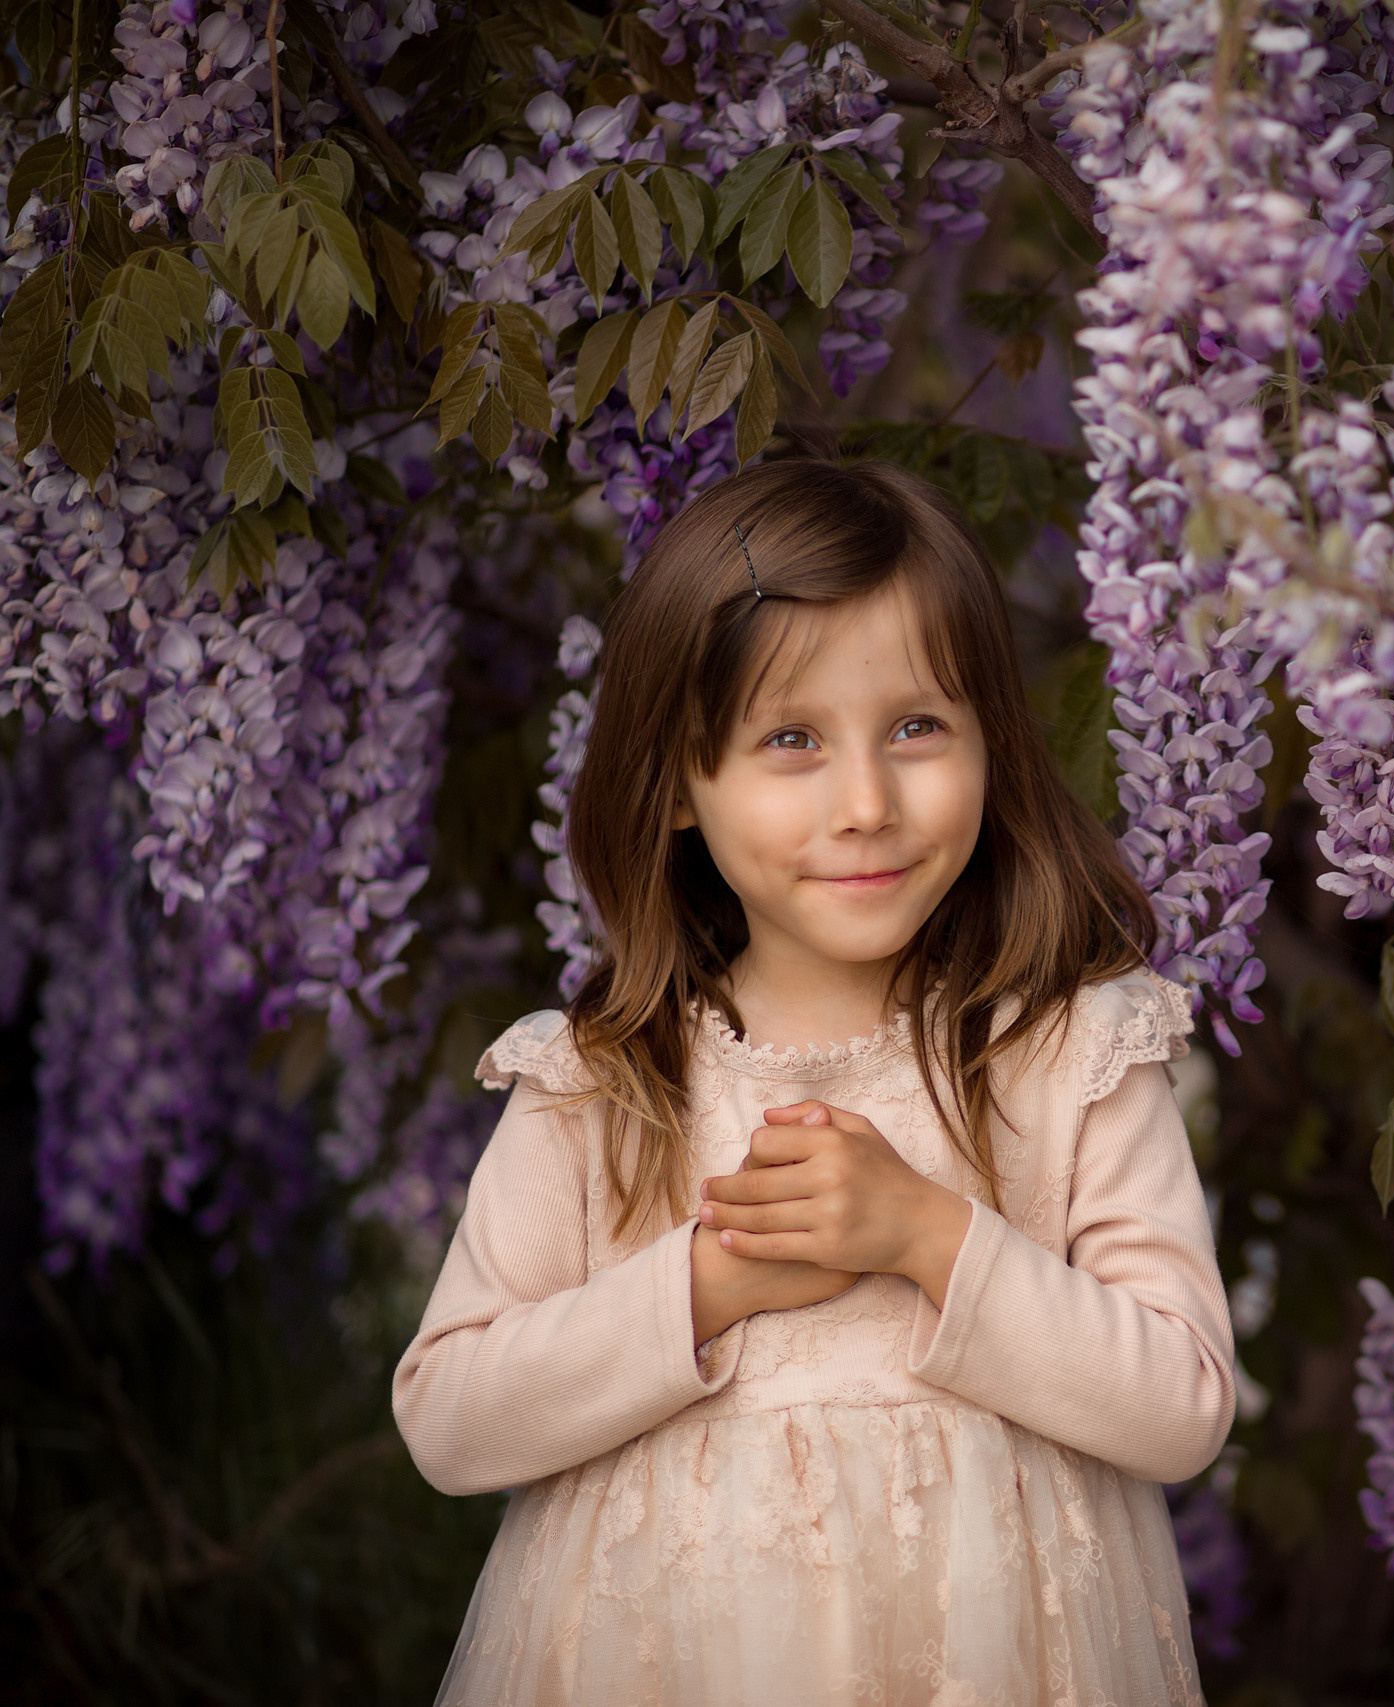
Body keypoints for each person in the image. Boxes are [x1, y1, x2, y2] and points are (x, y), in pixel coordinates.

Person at [393, 458, 1234, 1705]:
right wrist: (707, 1284)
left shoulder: (1070, 1054)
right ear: (679, 786)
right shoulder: (603, 1083)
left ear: (992, 742)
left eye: (917, 727)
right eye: (791, 739)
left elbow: (1180, 1406)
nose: (866, 803)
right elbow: (452, 1418)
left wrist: (930, 1238)